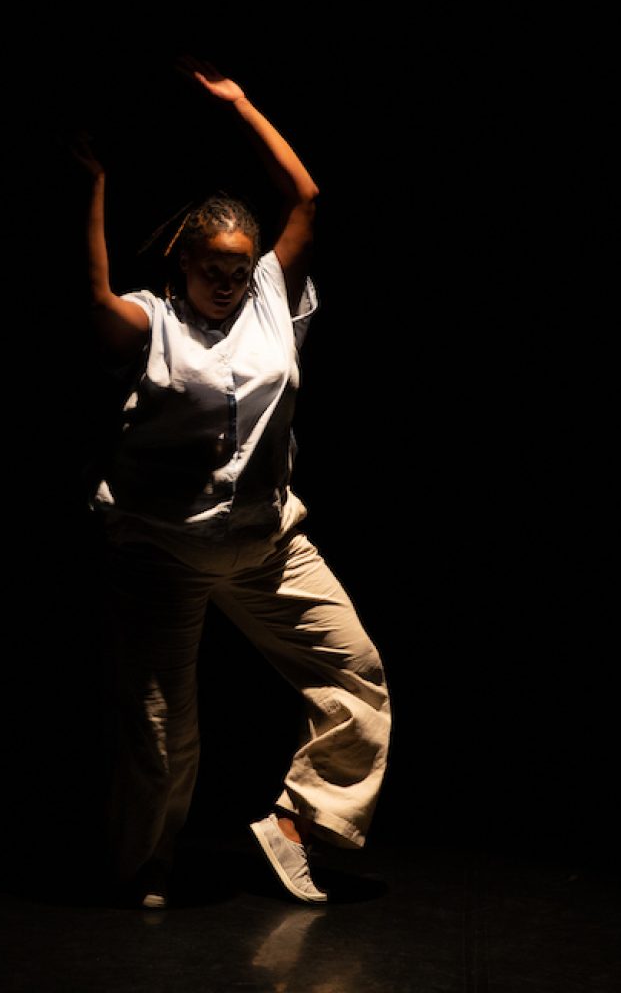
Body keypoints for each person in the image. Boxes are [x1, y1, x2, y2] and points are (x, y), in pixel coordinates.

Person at [71, 56, 391, 909]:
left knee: (356, 677)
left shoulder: (269, 299)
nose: (229, 278)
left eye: (241, 263)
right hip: (162, 554)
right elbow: (92, 302)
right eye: (214, 263)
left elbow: (308, 199)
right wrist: (94, 186)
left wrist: (242, 103)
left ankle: (295, 829)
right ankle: (144, 866)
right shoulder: (154, 321)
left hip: (266, 547)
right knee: (163, 733)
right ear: (182, 260)